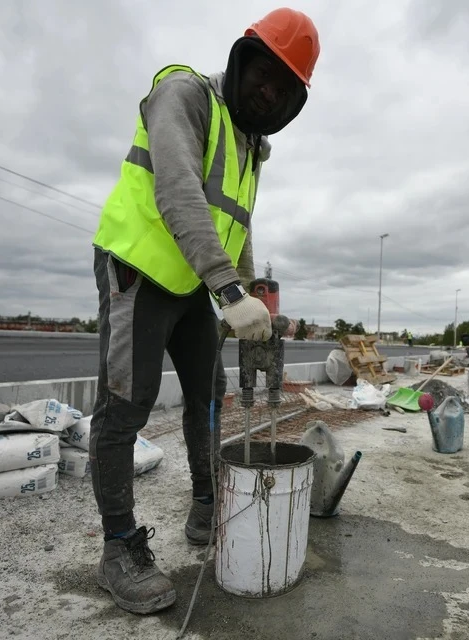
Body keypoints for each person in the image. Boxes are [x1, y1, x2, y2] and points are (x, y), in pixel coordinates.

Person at [87, 8, 320, 614]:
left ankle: (206, 503)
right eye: (263, 75)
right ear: (242, 60)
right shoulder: (184, 95)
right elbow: (178, 190)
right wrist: (226, 288)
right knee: (125, 404)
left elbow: (238, 228)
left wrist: (250, 296)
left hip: (194, 288)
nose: (267, 93)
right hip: (138, 270)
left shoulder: (252, 148)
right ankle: (119, 548)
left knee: (208, 396)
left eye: (284, 90)